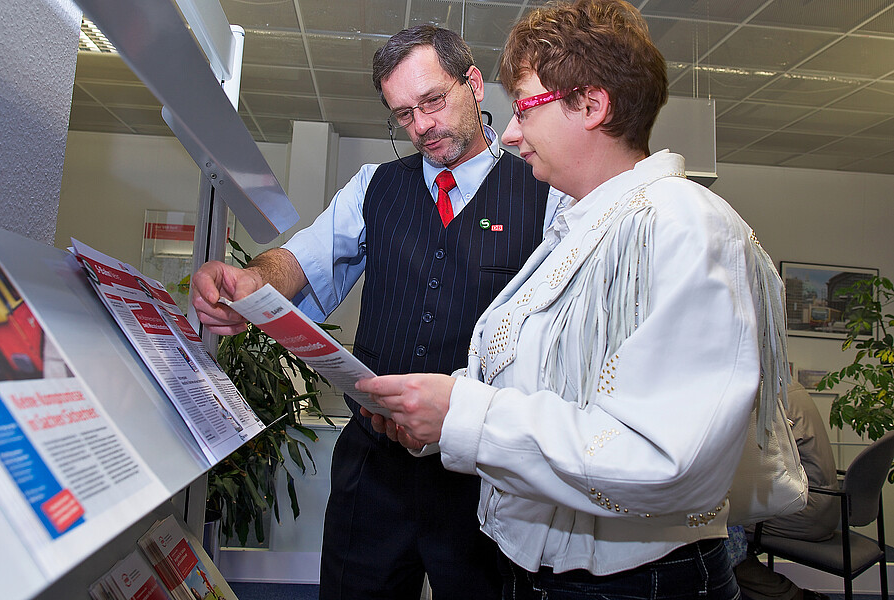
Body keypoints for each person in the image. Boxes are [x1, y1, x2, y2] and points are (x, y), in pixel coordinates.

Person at [357, 1, 790, 598]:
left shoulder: (685, 226)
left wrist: (465, 415)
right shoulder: (575, 231)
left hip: (632, 583)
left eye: (525, 109)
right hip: (549, 571)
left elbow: (666, 461)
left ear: (591, 105)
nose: (508, 133)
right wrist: (435, 412)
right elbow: (552, 386)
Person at [191, 25, 558, 600]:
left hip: (482, 475)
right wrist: (253, 281)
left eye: (432, 101)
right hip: (374, 470)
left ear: (475, 85)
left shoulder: (542, 193)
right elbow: (303, 259)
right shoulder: (375, 187)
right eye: (403, 115)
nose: (422, 127)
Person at [734, 381, 839, 600]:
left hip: (805, 510)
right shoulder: (787, 384)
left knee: (717, 532)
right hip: (826, 503)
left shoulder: (763, 393)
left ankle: (791, 596)